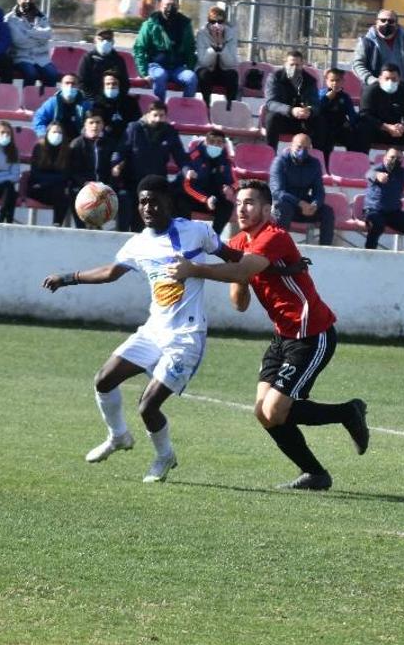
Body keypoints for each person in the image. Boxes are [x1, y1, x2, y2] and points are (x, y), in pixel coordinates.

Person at [166, 179, 369, 490]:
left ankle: (348, 412)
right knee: (263, 413)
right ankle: (315, 474)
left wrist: (196, 269)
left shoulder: (273, 236)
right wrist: (242, 276)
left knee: (276, 409)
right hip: (282, 337)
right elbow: (240, 304)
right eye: (239, 203)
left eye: (249, 203)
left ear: (266, 208)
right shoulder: (238, 244)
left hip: (311, 333)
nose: (242, 208)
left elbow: (238, 270)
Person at [42, 175, 240, 482]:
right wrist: (68, 277)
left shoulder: (197, 231)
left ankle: (165, 457)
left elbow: (234, 260)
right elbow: (110, 272)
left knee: (148, 406)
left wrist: (269, 267)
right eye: (142, 201)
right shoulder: (138, 244)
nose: (147, 207)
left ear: (168, 201)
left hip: (185, 338)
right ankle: (118, 435)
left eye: (153, 200)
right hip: (153, 330)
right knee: (104, 380)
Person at [113, 101, 190, 231]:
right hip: (133, 182)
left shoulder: (170, 132)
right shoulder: (134, 128)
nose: (158, 119)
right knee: (129, 211)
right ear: (148, 115)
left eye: (162, 115)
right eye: (155, 115)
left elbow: (180, 156)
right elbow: (121, 150)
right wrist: (116, 164)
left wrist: (187, 170)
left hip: (156, 185)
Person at [352, 9, 404, 120]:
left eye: (391, 21)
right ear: (376, 22)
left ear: (396, 24)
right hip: (378, 85)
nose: (386, 24)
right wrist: (371, 79)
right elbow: (357, 64)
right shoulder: (366, 42)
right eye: (383, 20)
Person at [268, 133, 333, 245]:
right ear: (291, 146)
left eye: (306, 148)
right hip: (284, 204)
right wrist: (299, 203)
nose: (302, 151)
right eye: (299, 147)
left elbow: (319, 190)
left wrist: (315, 204)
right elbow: (277, 192)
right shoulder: (279, 162)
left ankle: (326, 249)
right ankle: (278, 246)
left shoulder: (314, 163)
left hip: (304, 207)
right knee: (283, 208)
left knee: (327, 211)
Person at [132, 0, 198, 101]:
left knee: (191, 78)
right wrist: (144, 73)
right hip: (156, 66)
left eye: (173, 5)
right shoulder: (150, 24)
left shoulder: (185, 25)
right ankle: (159, 108)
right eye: (167, 5)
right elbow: (139, 49)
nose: (170, 8)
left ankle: (185, 111)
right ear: (160, 6)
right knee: (160, 76)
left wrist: (190, 68)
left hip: (178, 68)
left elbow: (190, 49)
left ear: (178, 6)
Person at [358, 64, 404, 163]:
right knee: (362, 130)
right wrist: (386, 127)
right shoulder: (371, 91)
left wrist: (403, 127)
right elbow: (364, 115)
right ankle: (361, 163)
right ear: (380, 78)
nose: (390, 82)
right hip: (376, 130)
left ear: (399, 79)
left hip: (395, 133)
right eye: (386, 78)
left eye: (394, 79)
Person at [178, 128, 235, 234]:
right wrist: (205, 199)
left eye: (219, 143)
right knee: (179, 203)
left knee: (227, 206)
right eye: (212, 141)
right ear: (205, 142)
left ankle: (212, 238)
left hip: (212, 200)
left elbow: (233, 181)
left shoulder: (226, 161)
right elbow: (187, 186)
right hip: (193, 198)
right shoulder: (194, 158)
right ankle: (183, 236)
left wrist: (230, 188)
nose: (215, 145)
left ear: (223, 145)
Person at [262, 49, 320, 148]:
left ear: (302, 65)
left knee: (321, 121)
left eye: (297, 65)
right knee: (271, 118)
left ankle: (319, 158)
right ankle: (271, 155)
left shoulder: (310, 80)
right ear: (285, 64)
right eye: (291, 65)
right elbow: (271, 103)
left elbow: (315, 103)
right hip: (283, 119)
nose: (294, 68)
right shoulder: (275, 77)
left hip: (302, 120)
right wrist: (291, 110)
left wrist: (309, 111)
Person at [26, 121, 77, 226]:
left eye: (59, 133)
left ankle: (57, 224)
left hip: (51, 189)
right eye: (54, 132)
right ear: (47, 133)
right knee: (59, 189)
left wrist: (45, 181)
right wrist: (54, 179)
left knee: (63, 194)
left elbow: (66, 175)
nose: (57, 135)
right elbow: (35, 174)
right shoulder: (38, 148)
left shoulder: (67, 151)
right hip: (37, 190)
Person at [6, 0, 58, 87]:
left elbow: (48, 34)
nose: (28, 1)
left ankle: (46, 101)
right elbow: (19, 41)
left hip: (42, 58)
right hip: (21, 57)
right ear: (18, 0)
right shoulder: (10, 18)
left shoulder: (42, 17)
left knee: (52, 74)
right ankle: (28, 101)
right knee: (31, 74)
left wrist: (28, 32)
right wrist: (38, 36)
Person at [67, 114, 119, 217]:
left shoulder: (110, 144)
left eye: (98, 122)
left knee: (124, 196)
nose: (94, 126)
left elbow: (113, 168)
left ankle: (120, 231)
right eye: (91, 122)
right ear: (85, 125)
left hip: (105, 187)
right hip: (83, 186)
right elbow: (72, 170)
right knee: (74, 194)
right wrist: (85, 183)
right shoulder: (76, 144)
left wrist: (108, 184)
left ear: (103, 125)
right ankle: (82, 229)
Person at [312, 67, 362, 159]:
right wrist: (326, 99)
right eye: (332, 80)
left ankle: (352, 162)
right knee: (323, 139)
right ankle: (323, 163)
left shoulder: (345, 97)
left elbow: (352, 114)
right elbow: (316, 109)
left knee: (354, 138)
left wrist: (351, 123)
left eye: (338, 80)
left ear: (342, 82)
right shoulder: (320, 94)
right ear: (327, 81)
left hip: (340, 127)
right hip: (324, 128)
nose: (335, 83)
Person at [194, 5, 239, 107]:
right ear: (209, 22)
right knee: (204, 74)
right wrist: (214, 47)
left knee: (233, 75)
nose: (216, 25)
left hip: (224, 69)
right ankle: (206, 107)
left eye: (220, 22)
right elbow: (203, 62)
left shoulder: (231, 34)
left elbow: (231, 63)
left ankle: (230, 107)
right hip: (207, 68)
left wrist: (222, 46)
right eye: (213, 22)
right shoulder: (202, 33)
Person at [89, 70, 141, 146]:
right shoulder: (97, 104)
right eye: (108, 84)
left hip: (127, 141)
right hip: (105, 143)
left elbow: (136, 122)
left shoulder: (131, 101)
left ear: (119, 85)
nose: (111, 87)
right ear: (103, 86)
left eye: (114, 84)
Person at [31, 73, 90, 140]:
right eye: (67, 83)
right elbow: (39, 118)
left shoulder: (85, 105)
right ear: (61, 85)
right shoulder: (52, 103)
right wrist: (43, 135)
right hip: (56, 140)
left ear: (78, 86)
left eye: (73, 84)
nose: (70, 86)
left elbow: (91, 122)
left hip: (78, 141)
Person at [77, 27, 129, 96]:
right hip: (93, 99)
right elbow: (81, 82)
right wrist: (92, 97)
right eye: (101, 39)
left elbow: (125, 83)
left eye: (108, 39)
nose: (105, 41)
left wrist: (118, 97)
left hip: (114, 99)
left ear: (113, 42)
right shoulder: (88, 58)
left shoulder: (118, 60)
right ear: (95, 40)